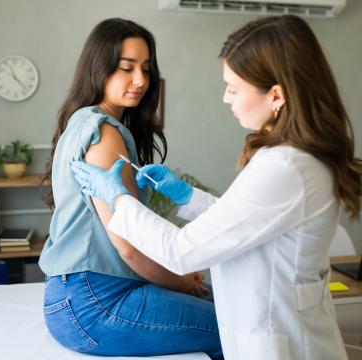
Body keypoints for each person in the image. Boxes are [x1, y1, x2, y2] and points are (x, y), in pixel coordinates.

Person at [72, 15, 362, 360]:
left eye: (234, 88)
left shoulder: (286, 167)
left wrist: (119, 199)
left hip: (281, 342)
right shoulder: (291, 157)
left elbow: (181, 251)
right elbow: (249, 224)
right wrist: (187, 197)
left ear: (276, 96)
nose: (227, 99)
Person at [39, 18, 223, 359]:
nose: (140, 80)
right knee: (231, 328)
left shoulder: (79, 122)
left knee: (223, 302)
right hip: (96, 302)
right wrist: (182, 282)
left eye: (146, 69)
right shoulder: (105, 134)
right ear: (99, 69)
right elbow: (129, 249)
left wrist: (181, 277)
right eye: (127, 68)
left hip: (74, 298)